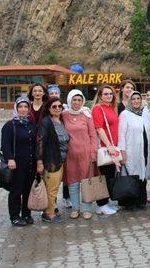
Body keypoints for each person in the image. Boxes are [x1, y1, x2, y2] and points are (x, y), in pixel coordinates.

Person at [0, 97, 35, 226]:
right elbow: (5, 145)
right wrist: (10, 159)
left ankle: (26, 214)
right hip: (16, 163)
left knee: (27, 190)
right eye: (20, 107)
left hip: (30, 163)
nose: (23, 109)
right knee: (16, 190)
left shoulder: (30, 123)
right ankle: (14, 216)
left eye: (26, 107)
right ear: (16, 108)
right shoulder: (10, 125)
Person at [62, 90, 97, 220]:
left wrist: (93, 151)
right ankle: (76, 208)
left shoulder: (87, 115)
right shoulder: (64, 115)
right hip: (70, 155)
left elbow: (93, 135)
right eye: (74, 100)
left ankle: (87, 208)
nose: (76, 102)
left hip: (86, 154)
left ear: (82, 101)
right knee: (73, 182)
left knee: (87, 181)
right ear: (69, 100)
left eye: (79, 100)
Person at [119, 91, 150, 210]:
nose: (136, 101)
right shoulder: (125, 114)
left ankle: (141, 201)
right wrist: (122, 150)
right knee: (132, 174)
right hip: (132, 150)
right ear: (130, 100)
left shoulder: (144, 113)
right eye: (134, 99)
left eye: (138, 98)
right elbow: (121, 133)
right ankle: (130, 202)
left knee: (143, 174)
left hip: (146, 150)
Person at [36, 97, 69, 223]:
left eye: (59, 106)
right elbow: (40, 142)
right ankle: (48, 214)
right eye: (54, 106)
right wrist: (39, 162)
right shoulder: (46, 122)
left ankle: (51, 209)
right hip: (51, 161)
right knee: (51, 189)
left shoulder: (61, 121)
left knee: (54, 188)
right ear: (49, 108)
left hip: (61, 160)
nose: (57, 109)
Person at [91, 84, 120, 215]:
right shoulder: (98, 109)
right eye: (105, 94)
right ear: (100, 96)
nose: (108, 96)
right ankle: (101, 204)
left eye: (110, 93)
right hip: (105, 147)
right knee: (104, 177)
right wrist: (108, 145)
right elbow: (99, 128)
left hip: (113, 146)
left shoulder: (111, 108)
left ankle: (106, 203)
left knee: (110, 176)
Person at [47, 84, 71, 208]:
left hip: (65, 151)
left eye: (56, 93)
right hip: (52, 154)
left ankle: (67, 197)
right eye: (52, 93)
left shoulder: (65, 110)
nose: (54, 95)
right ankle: (51, 204)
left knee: (67, 176)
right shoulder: (47, 112)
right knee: (52, 181)